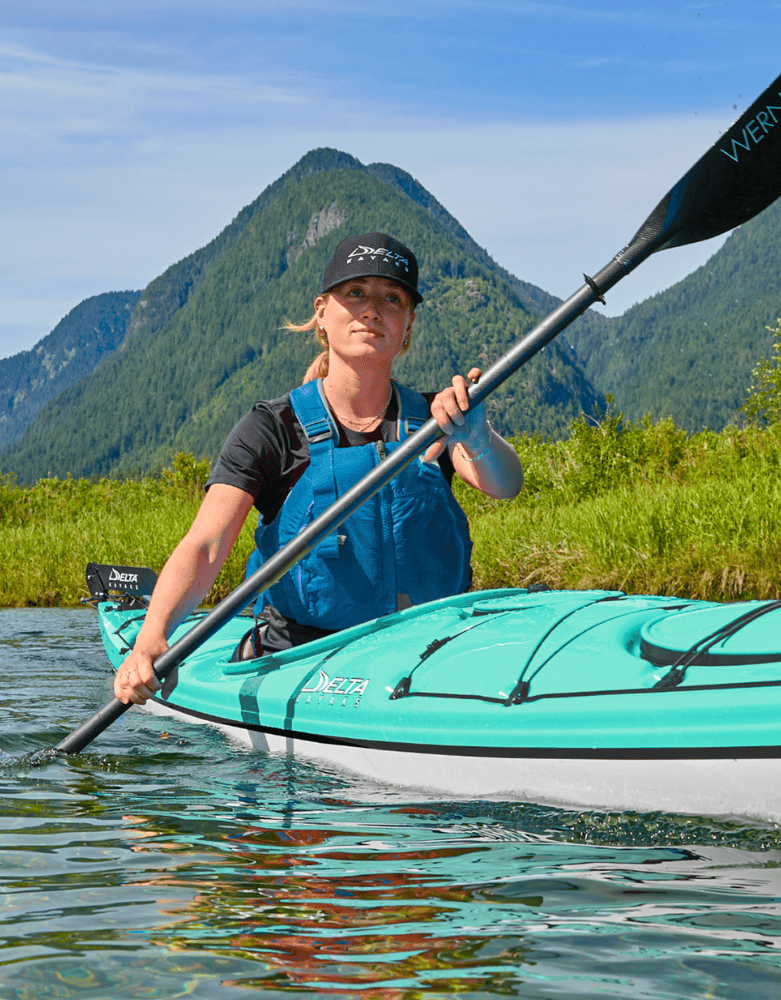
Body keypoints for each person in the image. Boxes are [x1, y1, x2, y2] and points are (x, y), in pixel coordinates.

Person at [114, 233, 523, 706]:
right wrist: (152, 637)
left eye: (392, 299)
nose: (372, 310)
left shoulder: (438, 419)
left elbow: (505, 484)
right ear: (322, 313)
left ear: (408, 326)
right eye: (355, 293)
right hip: (304, 658)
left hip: (427, 652)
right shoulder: (272, 429)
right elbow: (206, 545)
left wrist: (477, 437)